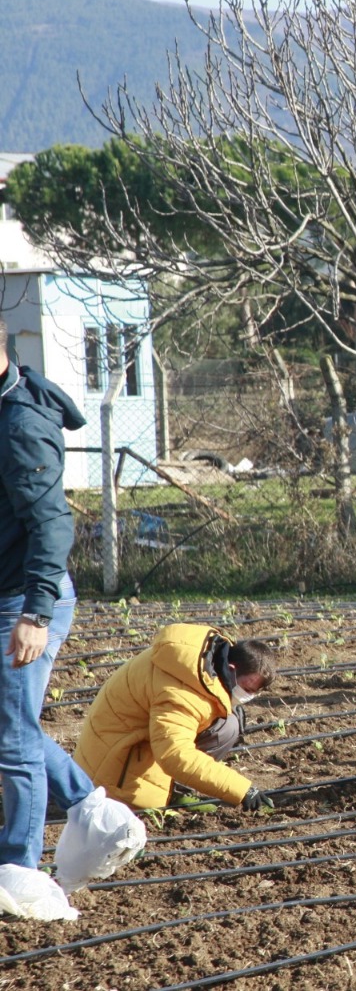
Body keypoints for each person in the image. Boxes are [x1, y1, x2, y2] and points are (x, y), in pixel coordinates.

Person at [0, 312, 134, 894]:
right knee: (10, 727)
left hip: (22, 602)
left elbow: (52, 524)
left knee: (11, 736)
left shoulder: (20, 424)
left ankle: (19, 870)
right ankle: (93, 812)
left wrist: (35, 613)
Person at [73, 625, 279, 809]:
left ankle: (176, 789)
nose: (247, 696)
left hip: (127, 744)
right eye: (246, 689)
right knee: (225, 726)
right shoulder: (181, 692)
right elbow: (175, 755)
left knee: (228, 722)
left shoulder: (202, 659)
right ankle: (174, 792)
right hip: (110, 773)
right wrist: (242, 790)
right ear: (232, 669)